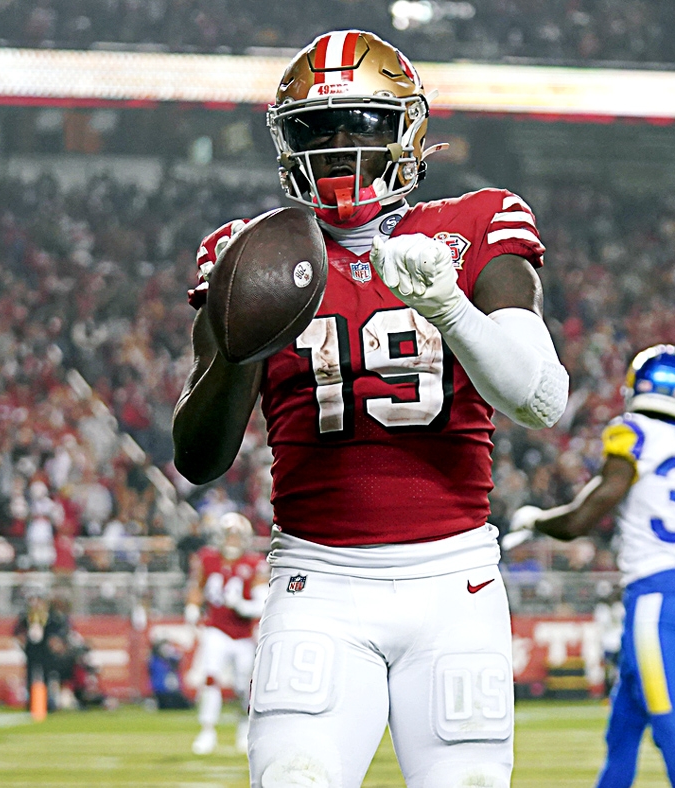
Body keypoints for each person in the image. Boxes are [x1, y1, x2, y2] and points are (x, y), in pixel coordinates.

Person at [172, 29, 568, 787]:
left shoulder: (478, 225)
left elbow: (542, 398)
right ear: (288, 142)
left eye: (363, 121)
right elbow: (199, 457)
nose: (340, 143)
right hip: (315, 581)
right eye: (316, 126)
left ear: (408, 132)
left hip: (454, 580)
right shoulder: (246, 251)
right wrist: (238, 342)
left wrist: (451, 308)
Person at [509, 345, 675, 788]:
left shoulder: (633, 432)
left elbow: (590, 511)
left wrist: (539, 520)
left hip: (655, 597)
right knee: (623, 729)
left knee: (670, 722)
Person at [185, 512, 267, 755]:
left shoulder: (254, 564)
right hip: (216, 629)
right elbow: (196, 588)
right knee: (211, 677)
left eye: (236, 536)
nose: (232, 541)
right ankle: (207, 731)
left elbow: (262, 603)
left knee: (244, 685)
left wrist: (240, 605)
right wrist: (191, 607)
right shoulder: (208, 559)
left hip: (242, 634)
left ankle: (244, 729)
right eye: (228, 536)